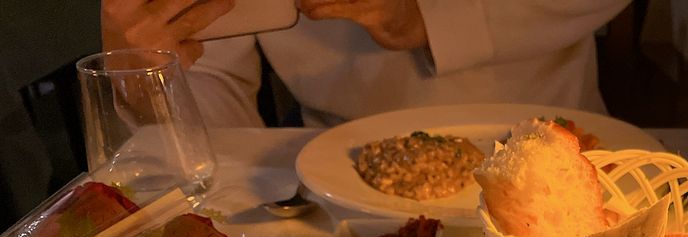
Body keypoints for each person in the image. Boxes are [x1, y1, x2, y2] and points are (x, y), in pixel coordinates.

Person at [100, 0, 631, 127]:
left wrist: (430, 17)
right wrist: (147, 80)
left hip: (550, 136)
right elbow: (213, 83)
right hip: (335, 179)